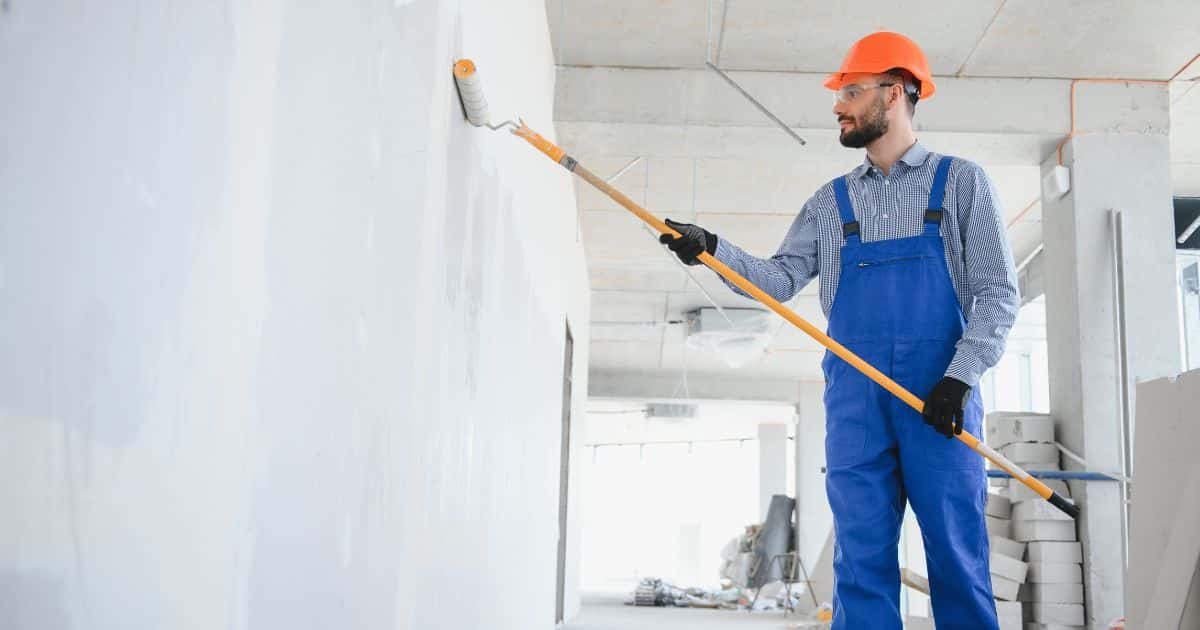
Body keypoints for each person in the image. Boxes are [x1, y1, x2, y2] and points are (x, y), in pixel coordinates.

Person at [659, 31, 1019, 629]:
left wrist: (959, 380)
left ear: (896, 90)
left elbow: (996, 295)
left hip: (939, 399)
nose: (837, 106)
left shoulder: (961, 183)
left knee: (957, 560)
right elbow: (776, 280)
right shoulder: (831, 204)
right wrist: (712, 250)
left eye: (851, 91)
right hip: (856, 402)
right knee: (860, 564)